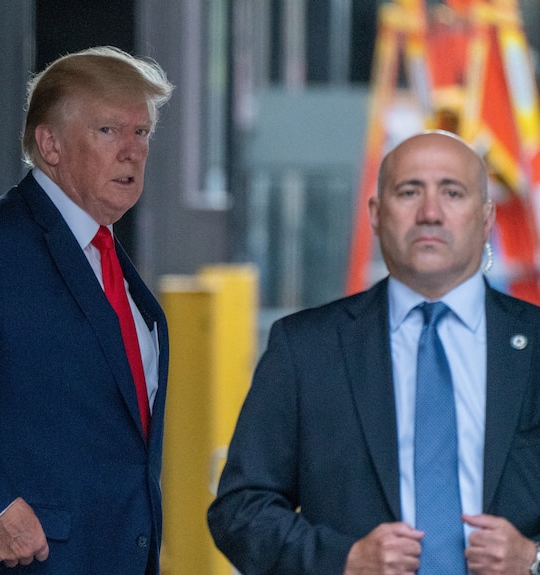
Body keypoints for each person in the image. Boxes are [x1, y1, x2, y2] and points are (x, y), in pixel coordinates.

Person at [207, 130, 540, 575]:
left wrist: (534, 558)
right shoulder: (305, 350)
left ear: (486, 218)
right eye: (409, 192)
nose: (430, 213)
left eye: (452, 192)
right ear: (377, 214)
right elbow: (240, 511)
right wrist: (343, 560)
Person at [0, 46, 173, 574]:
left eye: (141, 133)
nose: (132, 151)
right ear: (49, 144)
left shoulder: (109, 256)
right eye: (108, 131)